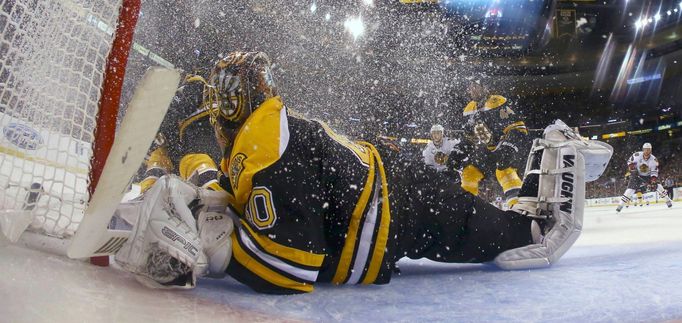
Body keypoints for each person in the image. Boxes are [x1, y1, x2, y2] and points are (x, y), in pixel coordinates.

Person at [113, 51, 613, 294]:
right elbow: (256, 193)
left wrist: (218, 248)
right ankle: (535, 178)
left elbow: (292, 269)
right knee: (492, 216)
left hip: (402, 207)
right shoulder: (263, 134)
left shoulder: (265, 143)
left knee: (526, 234)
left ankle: (557, 156)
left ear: (229, 106)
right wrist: (206, 195)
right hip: (392, 193)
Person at [453, 80, 530, 207]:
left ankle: (518, 207)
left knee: (504, 171)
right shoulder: (469, 109)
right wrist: (458, 151)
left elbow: (518, 128)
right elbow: (469, 138)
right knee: (469, 172)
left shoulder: (498, 102)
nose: (471, 90)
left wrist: (509, 148)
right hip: (488, 151)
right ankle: (465, 208)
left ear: (485, 88)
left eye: (475, 87)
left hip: (506, 147)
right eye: (470, 87)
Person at [616, 143, 673, 212]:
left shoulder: (654, 160)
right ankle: (620, 205)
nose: (647, 151)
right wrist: (632, 168)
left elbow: (654, 171)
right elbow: (629, 162)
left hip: (648, 176)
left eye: (648, 150)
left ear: (651, 150)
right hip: (636, 175)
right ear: (643, 150)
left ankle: (667, 200)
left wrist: (653, 180)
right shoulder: (636, 155)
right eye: (646, 150)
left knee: (658, 186)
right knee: (630, 190)